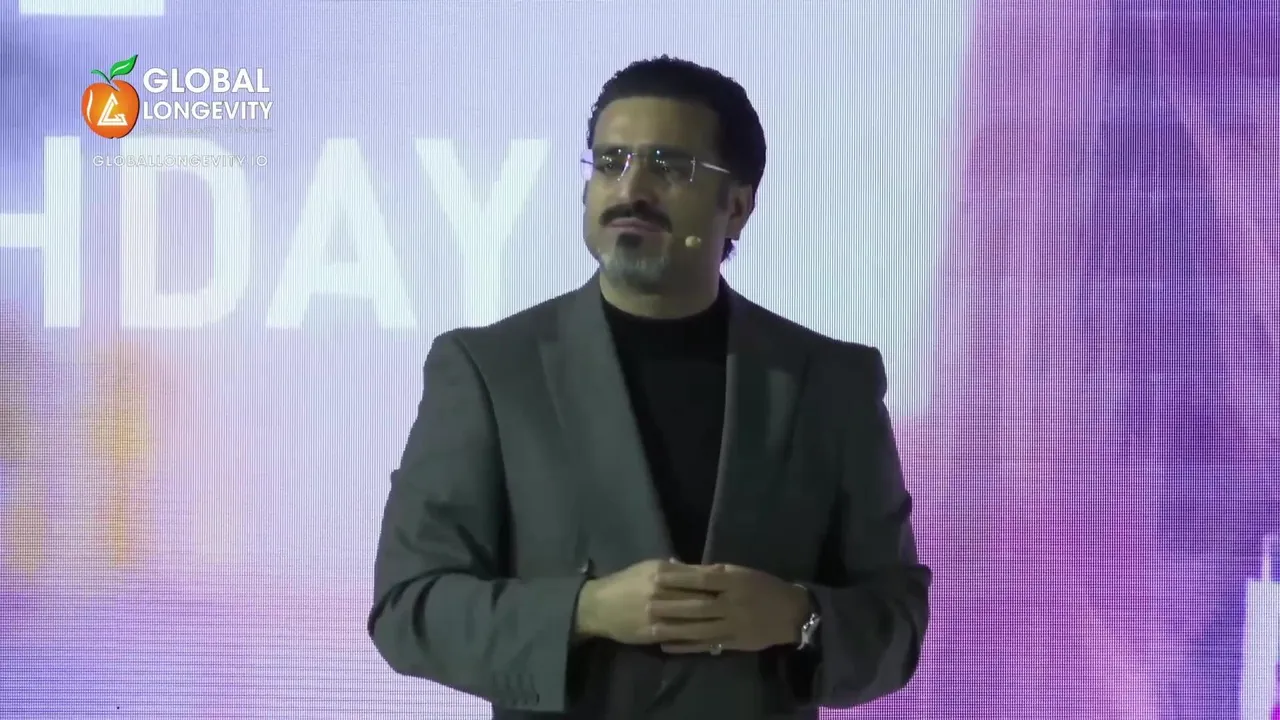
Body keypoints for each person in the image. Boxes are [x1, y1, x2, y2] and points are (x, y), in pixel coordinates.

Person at [368, 55, 931, 719]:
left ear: (737, 206)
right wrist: (585, 611)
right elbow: (410, 607)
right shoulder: (489, 370)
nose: (630, 189)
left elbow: (897, 621)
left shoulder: (830, 382)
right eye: (610, 163)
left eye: (668, 166)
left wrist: (797, 616)